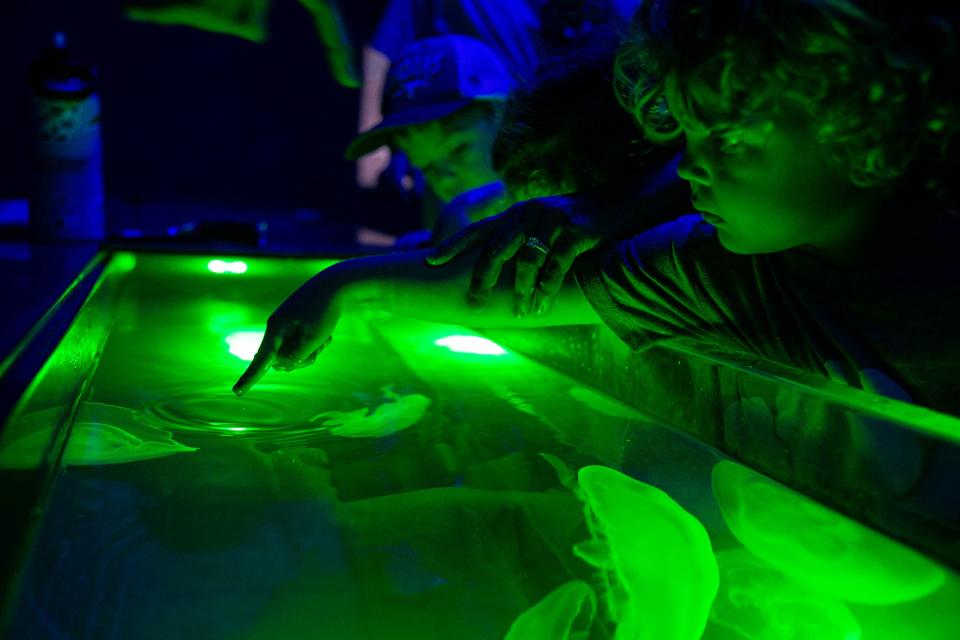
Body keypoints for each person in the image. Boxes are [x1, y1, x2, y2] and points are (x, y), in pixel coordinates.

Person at [234, 0, 960, 424]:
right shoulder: (716, 267)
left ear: (859, 119)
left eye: (727, 138)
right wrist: (347, 281)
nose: (692, 164)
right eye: (685, 135)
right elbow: (507, 292)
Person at [345, 34, 513, 244]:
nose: (444, 181)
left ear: (509, 123)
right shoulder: (421, 249)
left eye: (458, 149)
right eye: (426, 166)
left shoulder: (557, 228)